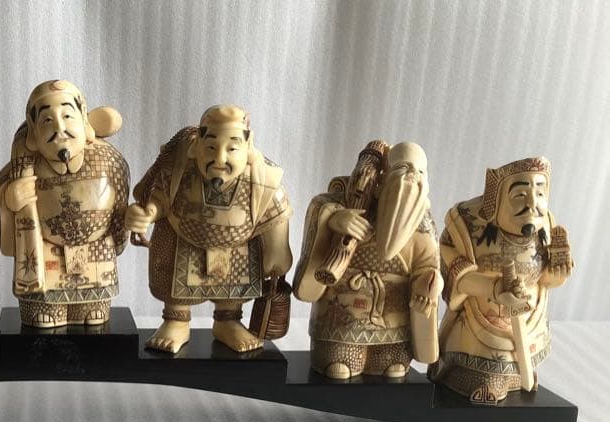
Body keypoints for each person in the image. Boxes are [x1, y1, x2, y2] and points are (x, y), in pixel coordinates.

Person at [126, 105, 292, 353]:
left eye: (232, 148)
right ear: (197, 145)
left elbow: (277, 210)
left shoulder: (262, 179)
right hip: (183, 238)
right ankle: (176, 320)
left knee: (233, 288)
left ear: (248, 146)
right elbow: (159, 196)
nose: (220, 159)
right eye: (211, 147)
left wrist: (277, 250)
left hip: (237, 247)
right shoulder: (180, 168)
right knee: (172, 267)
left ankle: (228, 321)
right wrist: (147, 213)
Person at [293, 141, 441, 379]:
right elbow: (320, 207)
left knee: (393, 369)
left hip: (393, 325)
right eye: (403, 168)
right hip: (342, 323)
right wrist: (335, 220)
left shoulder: (423, 224)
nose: (413, 176)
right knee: (339, 368)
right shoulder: (351, 204)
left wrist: (430, 286)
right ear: (382, 179)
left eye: (420, 171)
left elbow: (429, 266)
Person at [431, 157, 573, 404]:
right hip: (480, 316)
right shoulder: (464, 226)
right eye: (520, 195)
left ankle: (514, 377)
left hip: (527, 319)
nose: (532, 204)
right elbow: (454, 273)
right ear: (495, 199)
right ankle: (480, 379)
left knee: (519, 367)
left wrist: (556, 276)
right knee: (484, 367)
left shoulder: (547, 225)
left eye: (540, 193)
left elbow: (543, 280)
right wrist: (494, 288)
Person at [0, 80, 130, 328]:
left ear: (84, 118)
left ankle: (91, 305)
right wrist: (11, 199)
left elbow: (121, 206)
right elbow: (7, 200)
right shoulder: (23, 166)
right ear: (33, 132)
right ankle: (44, 307)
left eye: (67, 115)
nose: (59, 128)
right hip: (46, 249)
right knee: (43, 316)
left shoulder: (110, 159)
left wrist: (125, 226)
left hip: (96, 248)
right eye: (47, 120)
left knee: (94, 314)